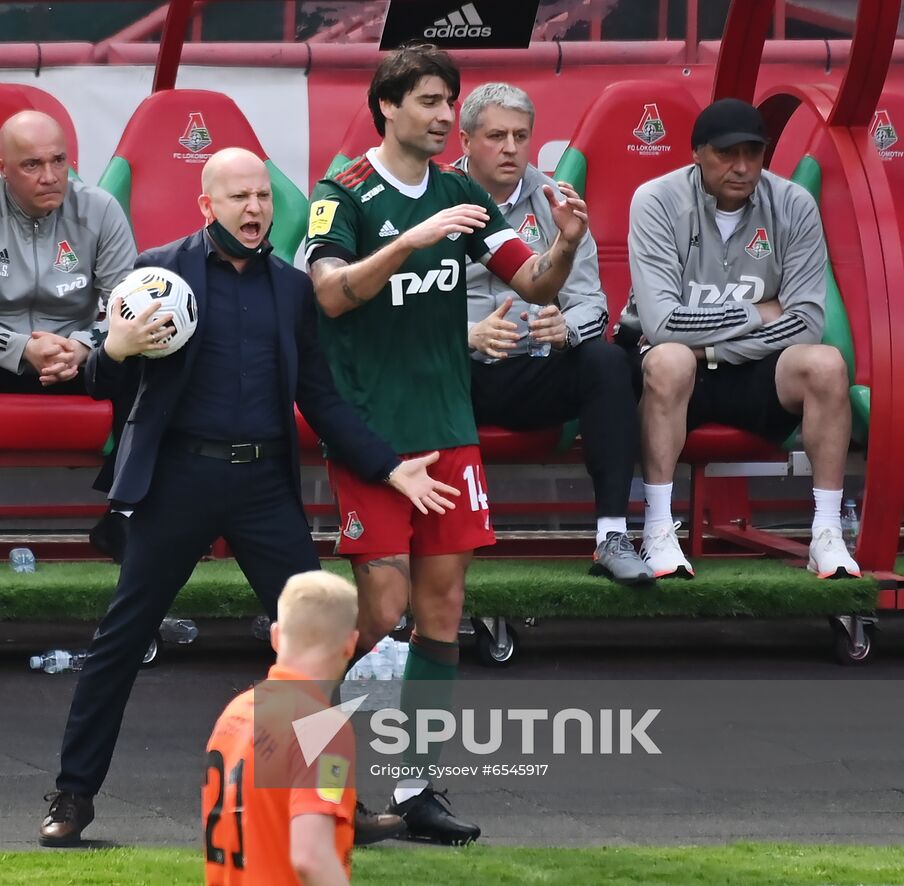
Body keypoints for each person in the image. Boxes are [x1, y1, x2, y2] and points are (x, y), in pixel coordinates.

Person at [40, 147, 456, 848]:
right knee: (122, 639)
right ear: (207, 206)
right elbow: (101, 385)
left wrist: (391, 468)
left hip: (263, 485)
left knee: (316, 642)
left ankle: (335, 807)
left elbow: (320, 397)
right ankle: (72, 797)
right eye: (238, 197)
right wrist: (115, 348)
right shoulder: (159, 272)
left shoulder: (292, 290)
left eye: (262, 196)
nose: (255, 208)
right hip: (177, 481)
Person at [304, 44, 588, 844]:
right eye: (430, 101)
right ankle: (320, 774)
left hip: (449, 433)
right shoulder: (345, 192)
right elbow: (328, 295)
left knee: (441, 611)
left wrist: (563, 241)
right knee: (380, 610)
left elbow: (533, 283)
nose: (442, 116)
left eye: (447, 101)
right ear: (387, 106)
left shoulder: (464, 192)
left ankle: (419, 789)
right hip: (375, 437)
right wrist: (410, 240)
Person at [619, 97, 859, 580]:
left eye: (754, 153)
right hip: (668, 372)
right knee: (669, 359)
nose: (743, 167)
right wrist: (756, 312)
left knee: (826, 364)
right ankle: (658, 531)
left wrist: (710, 344)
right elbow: (661, 322)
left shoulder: (793, 203)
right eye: (727, 154)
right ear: (697, 154)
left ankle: (827, 533)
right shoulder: (656, 199)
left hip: (753, 370)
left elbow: (807, 320)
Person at [0, 110, 136, 569]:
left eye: (59, 161)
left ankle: (125, 515)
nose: (51, 176)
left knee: (149, 360)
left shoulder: (99, 209)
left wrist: (83, 345)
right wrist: (21, 349)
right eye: (32, 165)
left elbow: (127, 308)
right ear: (2, 167)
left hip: (73, 356)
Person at [455, 82, 653, 586]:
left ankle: (612, 534)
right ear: (465, 142)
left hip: (532, 370)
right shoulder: (435, 200)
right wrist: (466, 334)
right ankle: (413, 541)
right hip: (454, 374)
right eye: (496, 136)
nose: (511, 148)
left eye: (521, 136)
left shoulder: (556, 202)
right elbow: (404, 304)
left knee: (610, 363)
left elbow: (592, 301)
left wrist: (566, 329)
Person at [202, 571, 362, 886]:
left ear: (276, 636)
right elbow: (310, 856)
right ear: (350, 644)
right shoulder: (322, 727)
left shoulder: (236, 713)